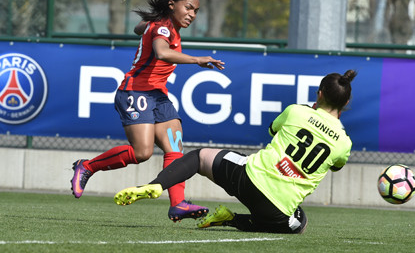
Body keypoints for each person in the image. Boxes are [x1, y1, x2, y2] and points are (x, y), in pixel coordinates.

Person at [112, 70, 357, 234]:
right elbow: (336, 165)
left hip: (249, 179)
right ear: (346, 104)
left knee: (199, 156)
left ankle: (157, 185)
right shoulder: (344, 143)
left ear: (320, 93)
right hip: (277, 210)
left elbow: (272, 130)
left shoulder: (297, 111)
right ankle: (230, 219)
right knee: (298, 224)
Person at [70, 0, 225, 222]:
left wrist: (149, 24)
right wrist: (196, 59)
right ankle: (87, 166)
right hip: (135, 92)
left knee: (175, 148)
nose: (192, 14)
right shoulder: (164, 28)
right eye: (189, 8)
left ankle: (178, 204)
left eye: (196, 11)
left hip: (158, 95)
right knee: (142, 152)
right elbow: (162, 53)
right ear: (172, 5)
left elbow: (137, 27)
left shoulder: (163, 24)